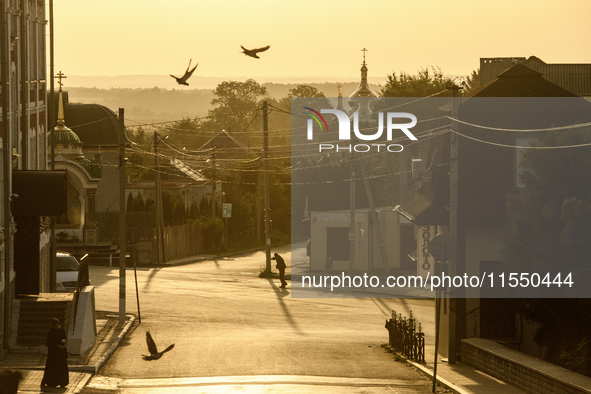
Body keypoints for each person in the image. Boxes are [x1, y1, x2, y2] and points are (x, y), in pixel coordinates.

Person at [41, 318, 69, 388]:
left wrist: (64, 342)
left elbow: (64, 338)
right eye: (56, 326)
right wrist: (57, 346)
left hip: (61, 353)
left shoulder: (61, 331)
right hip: (53, 354)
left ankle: (62, 382)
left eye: (58, 326)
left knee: (61, 368)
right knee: (52, 368)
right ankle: (51, 382)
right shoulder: (50, 333)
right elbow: (49, 343)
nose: (57, 327)